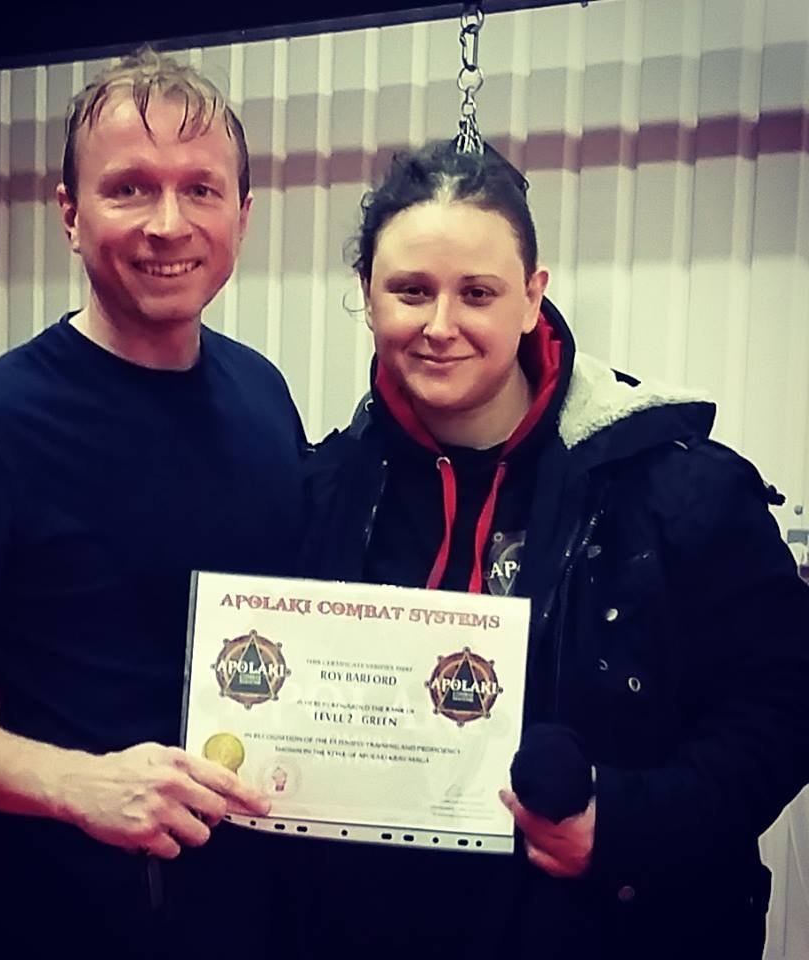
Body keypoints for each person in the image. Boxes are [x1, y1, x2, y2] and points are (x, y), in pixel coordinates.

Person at [296, 139, 809, 959]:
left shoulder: (680, 489)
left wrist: (626, 826)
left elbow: (784, 706)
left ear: (533, 298)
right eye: (410, 290)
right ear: (367, 294)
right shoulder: (321, 490)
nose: (440, 326)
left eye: (477, 292)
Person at [0, 49, 306, 959]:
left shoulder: (263, 392)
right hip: (56, 912)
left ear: (243, 216)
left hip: (245, 907)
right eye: (129, 188)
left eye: (201, 190)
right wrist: (75, 783)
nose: (168, 224)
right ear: (69, 213)